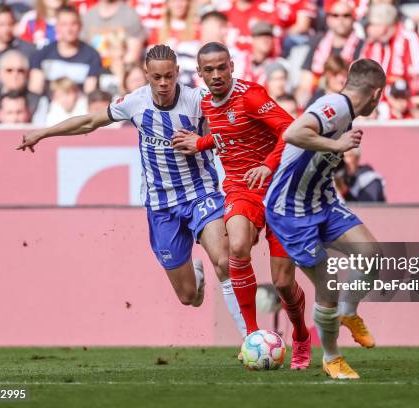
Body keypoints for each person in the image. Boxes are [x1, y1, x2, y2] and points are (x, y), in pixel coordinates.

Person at [17, 44, 248, 342]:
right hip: (161, 205)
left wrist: (203, 141)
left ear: (178, 73)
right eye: (156, 77)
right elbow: (90, 121)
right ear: (146, 75)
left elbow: (231, 131)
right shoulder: (134, 102)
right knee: (189, 297)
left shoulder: (197, 100)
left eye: (168, 76)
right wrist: (43, 133)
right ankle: (196, 275)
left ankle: (249, 337)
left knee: (224, 260)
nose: (163, 83)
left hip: (200, 194)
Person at [172, 42, 312, 370]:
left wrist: (268, 164)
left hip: (279, 190)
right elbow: (228, 133)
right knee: (235, 246)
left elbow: (290, 130)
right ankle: (252, 334)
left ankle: (302, 336)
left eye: (222, 67)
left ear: (232, 66)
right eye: (209, 70)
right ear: (201, 73)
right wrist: (201, 142)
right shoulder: (206, 102)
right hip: (240, 188)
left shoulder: (252, 96)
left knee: (282, 283)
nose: (217, 74)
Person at [264, 58, 386, 379]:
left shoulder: (345, 110)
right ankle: (331, 358)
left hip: (322, 200)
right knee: (328, 284)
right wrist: (337, 144)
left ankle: (347, 312)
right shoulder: (334, 106)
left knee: (372, 256)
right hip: (290, 210)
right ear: (376, 93)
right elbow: (293, 132)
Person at [297, 0, 364, 106]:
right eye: (335, 15)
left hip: (349, 103)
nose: (340, 19)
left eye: (346, 15)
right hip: (319, 100)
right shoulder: (318, 43)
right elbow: (305, 84)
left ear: (353, 18)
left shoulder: (362, 46)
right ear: (328, 18)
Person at [29, 5, 102, 96]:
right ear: (56, 27)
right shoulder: (42, 54)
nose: (69, 29)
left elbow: (90, 94)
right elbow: (35, 91)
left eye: (73, 24)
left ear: (80, 26)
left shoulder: (92, 56)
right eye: (64, 24)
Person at [361, 3, 419, 96]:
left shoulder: (409, 39)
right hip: (380, 102)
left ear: (383, 27)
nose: (367, 29)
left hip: (407, 99)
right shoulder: (373, 43)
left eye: (371, 24)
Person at [0, 49, 48, 125]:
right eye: (9, 70)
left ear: (27, 74)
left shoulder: (40, 101)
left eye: (20, 70)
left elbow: (40, 131)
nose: (15, 75)